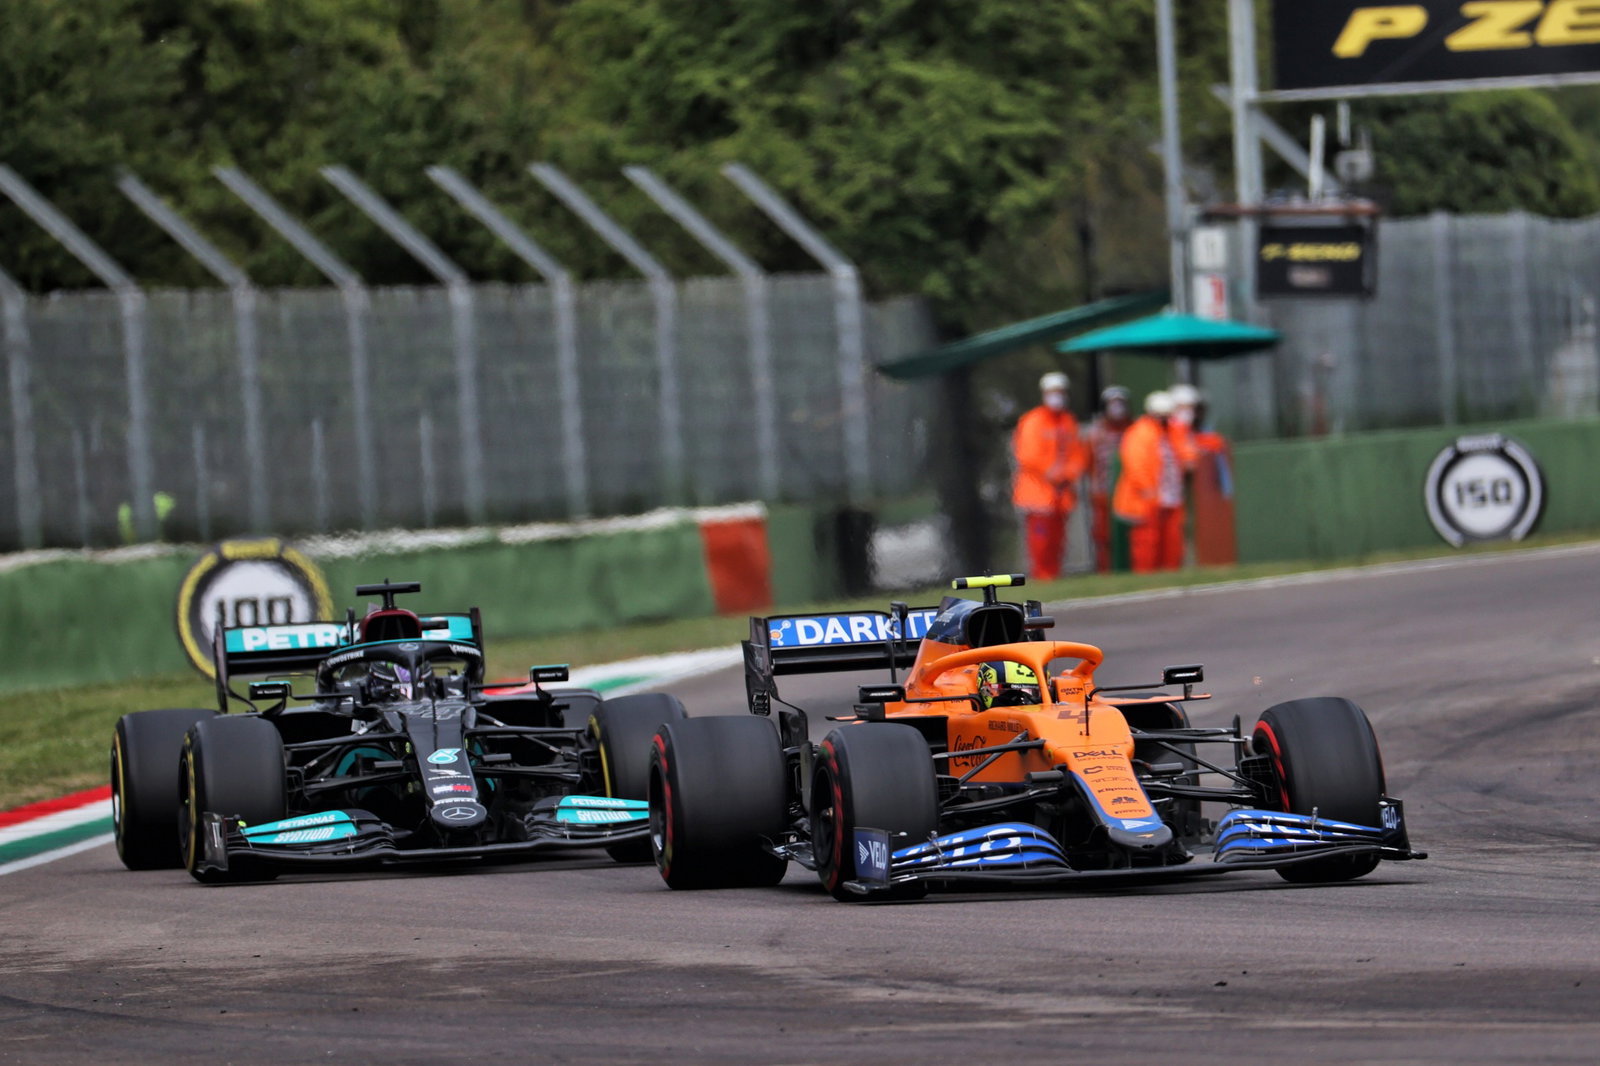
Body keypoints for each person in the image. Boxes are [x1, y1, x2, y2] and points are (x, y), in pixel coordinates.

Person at [1011, 371, 1087, 582]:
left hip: (1062, 494)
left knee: (1058, 541)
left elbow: (1077, 454)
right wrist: (1051, 471)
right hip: (1038, 495)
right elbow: (1027, 454)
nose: (1058, 396)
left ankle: (1054, 576)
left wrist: (1068, 473)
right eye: (1053, 392)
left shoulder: (1068, 421)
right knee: (1040, 543)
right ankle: (1043, 578)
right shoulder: (1033, 420)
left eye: (1061, 392)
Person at [1113, 391, 1185, 573]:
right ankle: (1147, 578)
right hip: (1147, 500)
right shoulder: (1139, 432)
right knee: (1147, 542)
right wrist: (1149, 490)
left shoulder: (1173, 431)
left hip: (1171, 497)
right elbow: (1135, 464)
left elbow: (1186, 452)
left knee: (1172, 541)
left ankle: (1170, 576)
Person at [1084, 385, 1132, 573]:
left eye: (1120, 403)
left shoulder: (1132, 429)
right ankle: (1106, 571)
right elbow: (1088, 462)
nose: (1117, 407)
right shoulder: (1096, 432)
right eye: (1113, 403)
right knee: (1104, 536)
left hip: (1128, 493)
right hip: (1103, 494)